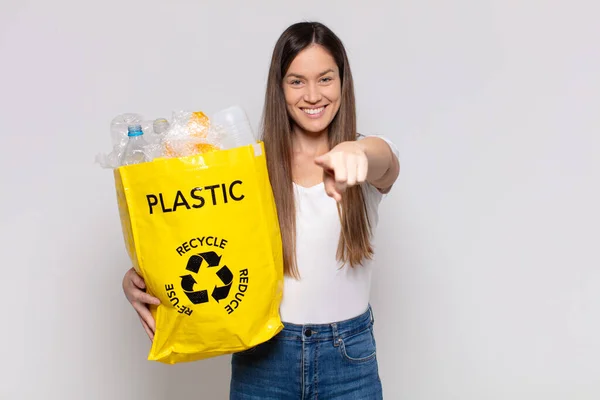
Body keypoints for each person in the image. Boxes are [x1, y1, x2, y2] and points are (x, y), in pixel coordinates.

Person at [122, 21, 400, 399]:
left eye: (326, 79)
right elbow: (199, 238)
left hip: (348, 359)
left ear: (342, 83)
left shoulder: (362, 157)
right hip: (264, 357)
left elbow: (386, 160)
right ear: (280, 87)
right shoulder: (247, 167)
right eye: (297, 81)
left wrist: (359, 150)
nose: (313, 94)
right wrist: (142, 280)